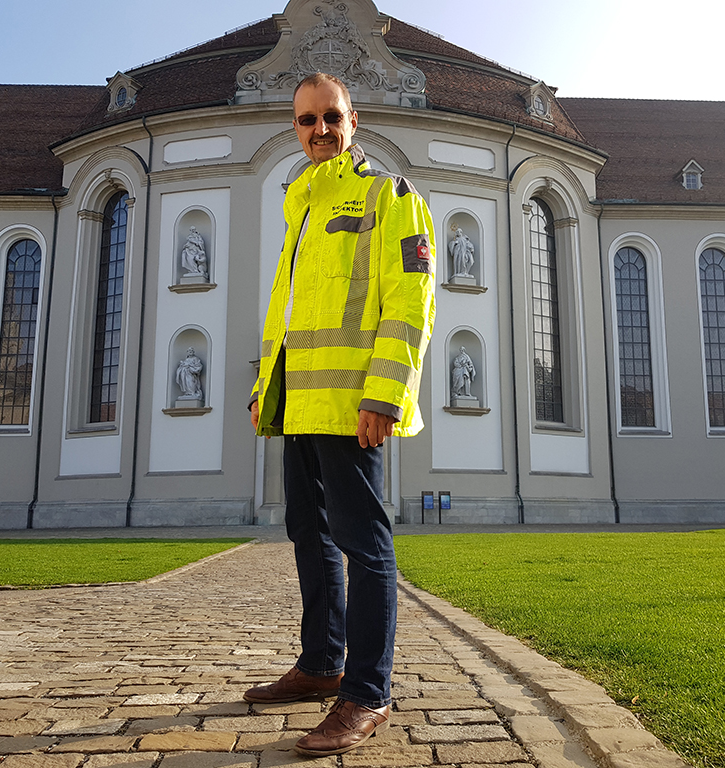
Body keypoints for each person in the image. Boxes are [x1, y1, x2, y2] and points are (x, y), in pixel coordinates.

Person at [245, 72, 436, 758]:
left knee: (364, 543)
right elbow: (293, 314)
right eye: (305, 121)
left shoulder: (389, 196)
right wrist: (268, 387)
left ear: (353, 121)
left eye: (331, 117)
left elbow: (409, 301)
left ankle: (368, 692)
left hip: (354, 403)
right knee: (307, 530)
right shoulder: (299, 202)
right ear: (293, 129)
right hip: (301, 399)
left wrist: (386, 393)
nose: (318, 130)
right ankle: (322, 663)